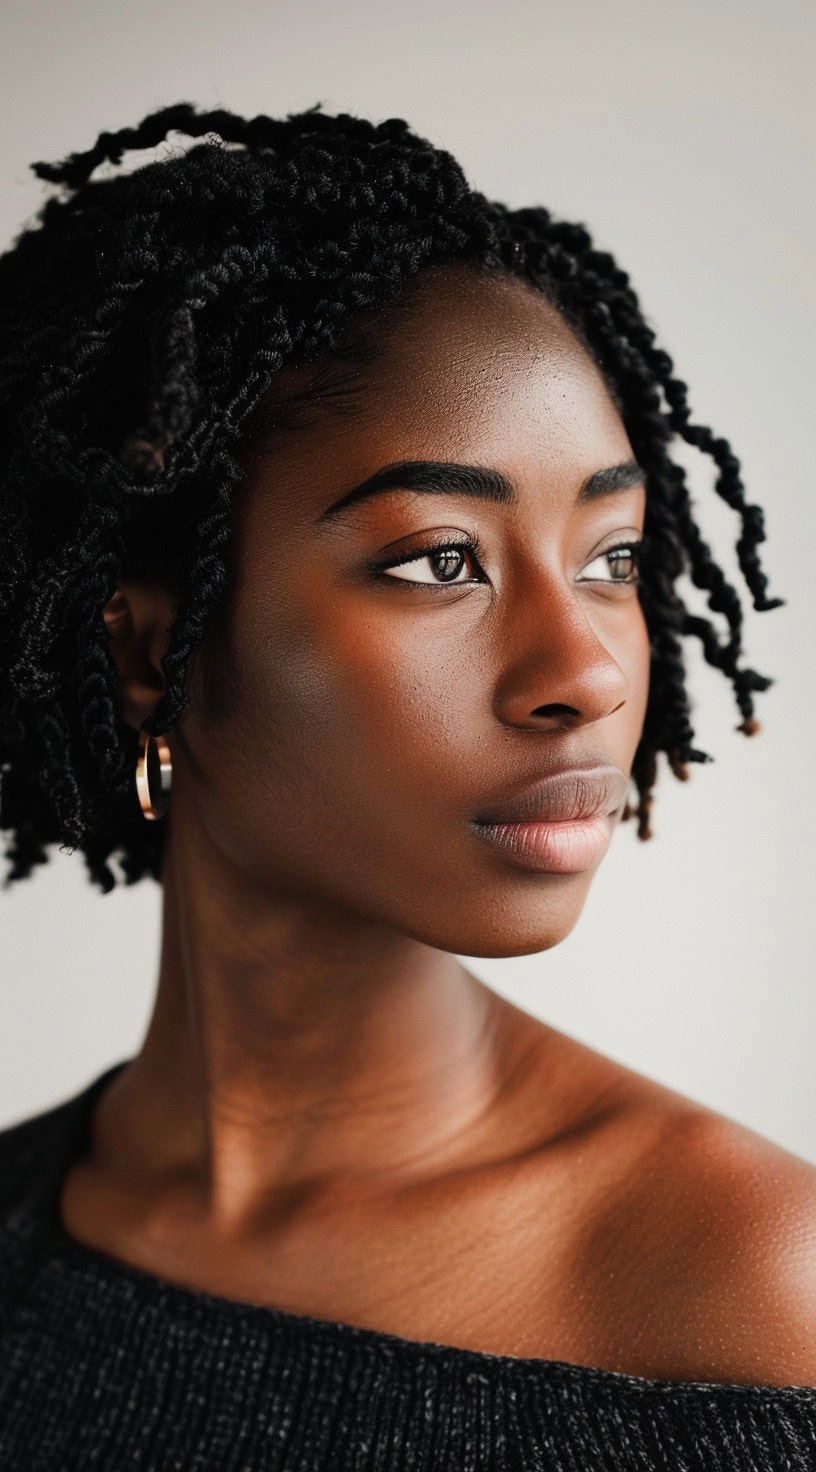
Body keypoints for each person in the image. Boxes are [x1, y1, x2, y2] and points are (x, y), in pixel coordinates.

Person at [0, 101, 814, 1470]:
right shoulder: (22, 1220)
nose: (590, 674)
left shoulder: (752, 1287)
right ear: (148, 645)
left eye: (613, 556)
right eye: (443, 559)